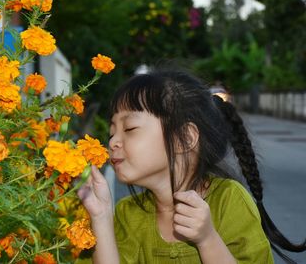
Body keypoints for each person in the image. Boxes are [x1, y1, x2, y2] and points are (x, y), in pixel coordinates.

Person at [77, 69, 306, 264]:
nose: (113, 141)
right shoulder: (129, 213)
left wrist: (207, 239)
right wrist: (101, 217)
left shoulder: (229, 201)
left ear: (184, 139)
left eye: (129, 129)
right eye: (112, 131)